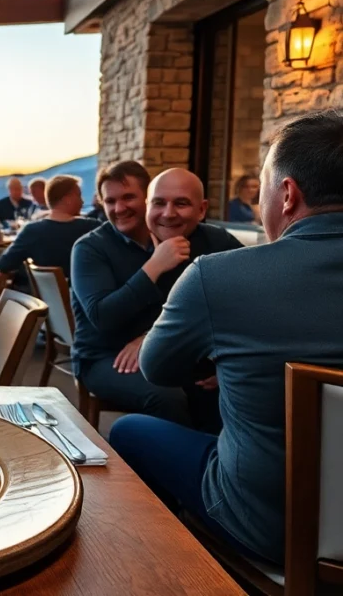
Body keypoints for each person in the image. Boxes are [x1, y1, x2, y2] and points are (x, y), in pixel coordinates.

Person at [110, 110, 343, 567]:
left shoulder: (219, 276)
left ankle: (170, 572)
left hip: (270, 527)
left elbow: (158, 368)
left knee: (128, 430)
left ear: (289, 194)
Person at [70, 163, 241, 427]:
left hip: (176, 352)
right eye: (110, 201)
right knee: (167, 396)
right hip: (105, 357)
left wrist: (152, 337)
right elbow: (103, 318)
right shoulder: (90, 248)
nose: (119, 208)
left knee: (229, 384)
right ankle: (172, 464)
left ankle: (216, 462)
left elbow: (245, 301)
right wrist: (154, 266)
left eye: (128, 197)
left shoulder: (211, 241)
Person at [0, 175, 100, 289]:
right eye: (79, 196)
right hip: (86, 299)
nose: (82, 201)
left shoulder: (32, 231)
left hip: (44, 302)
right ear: (68, 199)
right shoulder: (93, 228)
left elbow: (4, 264)